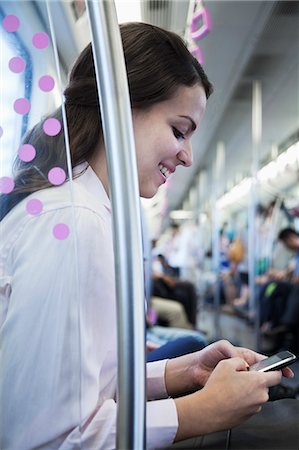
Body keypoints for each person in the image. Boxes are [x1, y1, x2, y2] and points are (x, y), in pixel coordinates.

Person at [0, 22, 296, 450]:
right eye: (179, 131)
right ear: (121, 108)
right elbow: (49, 437)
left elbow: (87, 386)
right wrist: (203, 410)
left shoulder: (88, 210)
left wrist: (184, 372)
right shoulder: (74, 223)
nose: (188, 156)